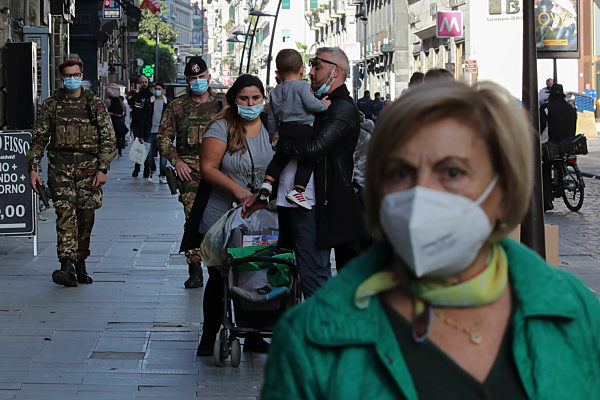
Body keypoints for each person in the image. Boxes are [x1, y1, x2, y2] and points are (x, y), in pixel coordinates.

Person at [261, 79, 600, 399]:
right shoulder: (311, 339)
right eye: (400, 172)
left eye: (452, 171)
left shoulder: (573, 314)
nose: (422, 191)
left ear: (504, 190)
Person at [245, 47, 367, 296]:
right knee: (307, 269)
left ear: (337, 71)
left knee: (313, 273)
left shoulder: (340, 107)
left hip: (316, 202)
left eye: (317, 66)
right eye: (310, 66)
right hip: (298, 199)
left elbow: (313, 148)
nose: (311, 72)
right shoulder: (314, 102)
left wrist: (280, 141)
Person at [195, 74, 275, 355]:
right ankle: (209, 335)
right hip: (223, 216)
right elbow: (208, 168)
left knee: (255, 273)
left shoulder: (270, 126)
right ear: (233, 100)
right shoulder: (221, 127)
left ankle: (253, 333)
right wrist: (241, 192)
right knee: (220, 277)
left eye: (256, 98)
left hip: (263, 217)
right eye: (244, 98)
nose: (251, 104)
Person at [27, 59, 116, 287]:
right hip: (61, 170)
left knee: (86, 218)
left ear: (82, 75)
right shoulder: (52, 105)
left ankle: (80, 262)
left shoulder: (93, 105)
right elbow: (38, 139)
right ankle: (66, 264)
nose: (72, 79)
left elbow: (108, 139)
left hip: (89, 171)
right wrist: (33, 169)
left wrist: (103, 169)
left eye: (76, 74)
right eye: (68, 75)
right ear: (61, 77)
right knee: (65, 215)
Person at [158, 56, 224, 289]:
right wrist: (177, 162)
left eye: (201, 77)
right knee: (193, 219)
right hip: (191, 173)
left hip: (221, 172)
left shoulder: (222, 104)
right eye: (193, 78)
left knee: (222, 219)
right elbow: (164, 138)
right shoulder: (177, 106)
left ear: (208, 76)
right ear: (187, 81)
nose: (198, 81)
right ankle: (195, 268)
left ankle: (220, 267)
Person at [259, 48, 331, 210]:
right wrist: (324, 105)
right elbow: (311, 105)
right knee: (308, 159)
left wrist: (272, 134)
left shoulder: (275, 91)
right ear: (302, 70)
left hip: (284, 130)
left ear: (278, 72)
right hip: (303, 131)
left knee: (280, 158)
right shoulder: (302, 86)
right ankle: (298, 190)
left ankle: (268, 183)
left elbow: (271, 117)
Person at [540, 83, 577, 211]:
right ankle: (560, 187)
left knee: (544, 168)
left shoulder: (546, 107)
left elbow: (541, 127)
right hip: (568, 144)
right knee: (561, 164)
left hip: (552, 144)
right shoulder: (571, 108)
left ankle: (547, 199)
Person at [127, 75, 153, 178]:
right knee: (139, 147)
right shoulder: (135, 95)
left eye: (145, 82)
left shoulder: (150, 96)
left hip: (148, 126)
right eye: (142, 82)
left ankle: (147, 168)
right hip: (138, 125)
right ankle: (137, 167)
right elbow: (131, 103)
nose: (144, 84)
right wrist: (136, 92)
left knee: (147, 148)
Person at [146, 82, 168, 183]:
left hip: (163, 132)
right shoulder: (149, 102)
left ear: (163, 90)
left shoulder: (168, 103)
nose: (157, 91)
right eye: (155, 89)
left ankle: (162, 175)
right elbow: (144, 118)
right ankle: (153, 168)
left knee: (163, 155)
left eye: (159, 89)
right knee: (149, 153)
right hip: (151, 131)